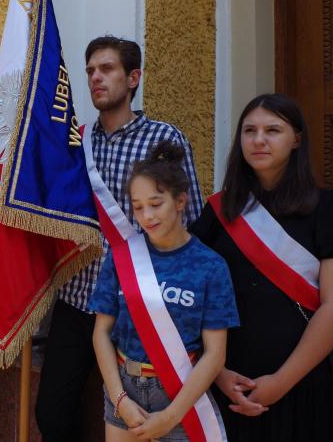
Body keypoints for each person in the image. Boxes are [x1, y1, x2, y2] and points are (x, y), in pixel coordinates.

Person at [35, 36, 204, 442]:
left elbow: (192, 219)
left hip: (139, 300)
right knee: (52, 412)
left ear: (133, 78)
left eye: (107, 69)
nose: (96, 77)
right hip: (78, 297)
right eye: (91, 70)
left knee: (137, 418)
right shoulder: (75, 142)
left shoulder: (164, 140)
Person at [190, 93, 333, 441]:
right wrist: (217, 372)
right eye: (249, 130)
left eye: (273, 130)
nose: (258, 140)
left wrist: (280, 383)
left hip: (303, 384)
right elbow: (191, 294)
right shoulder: (219, 211)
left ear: (296, 138)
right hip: (229, 384)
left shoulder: (327, 207)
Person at [90, 141, 238, 441]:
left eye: (156, 204)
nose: (147, 217)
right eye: (138, 207)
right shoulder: (121, 259)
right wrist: (120, 400)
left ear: (181, 201)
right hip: (123, 390)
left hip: (182, 395)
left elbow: (215, 354)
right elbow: (101, 333)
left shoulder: (211, 266)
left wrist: (171, 416)